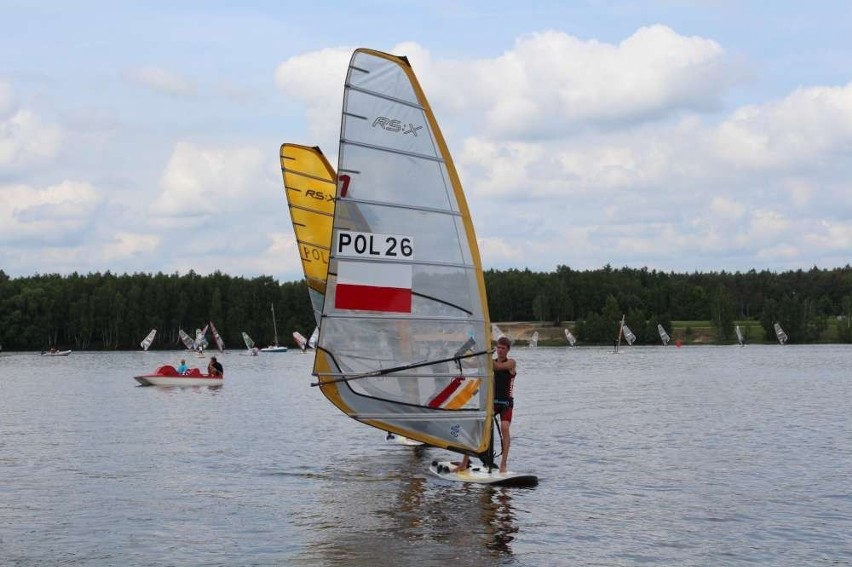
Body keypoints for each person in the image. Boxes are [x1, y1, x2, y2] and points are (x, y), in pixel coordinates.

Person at [455, 335, 516, 474]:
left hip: (506, 403)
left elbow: (498, 366)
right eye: (498, 347)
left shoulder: (511, 363)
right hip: (492, 403)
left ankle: (503, 465)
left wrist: (484, 355)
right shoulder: (489, 361)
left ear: (508, 350)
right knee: (475, 427)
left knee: (505, 427)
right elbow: (469, 364)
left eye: (503, 348)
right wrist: (459, 358)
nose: (500, 350)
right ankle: (465, 462)